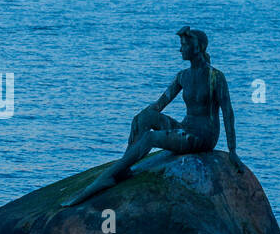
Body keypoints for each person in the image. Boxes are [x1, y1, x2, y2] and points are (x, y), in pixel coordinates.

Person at [62, 25, 244, 208]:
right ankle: (124, 169)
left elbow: (228, 113)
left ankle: (108, 176)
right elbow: (160, 104)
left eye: (184, 45)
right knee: (145, 118)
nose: (180, 49)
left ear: (197, 48)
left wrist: (233, 151)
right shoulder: (183, 76)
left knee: (150, 138)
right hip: (186, 128)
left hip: (202, 137)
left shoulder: (216, 77)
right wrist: (140, 116)